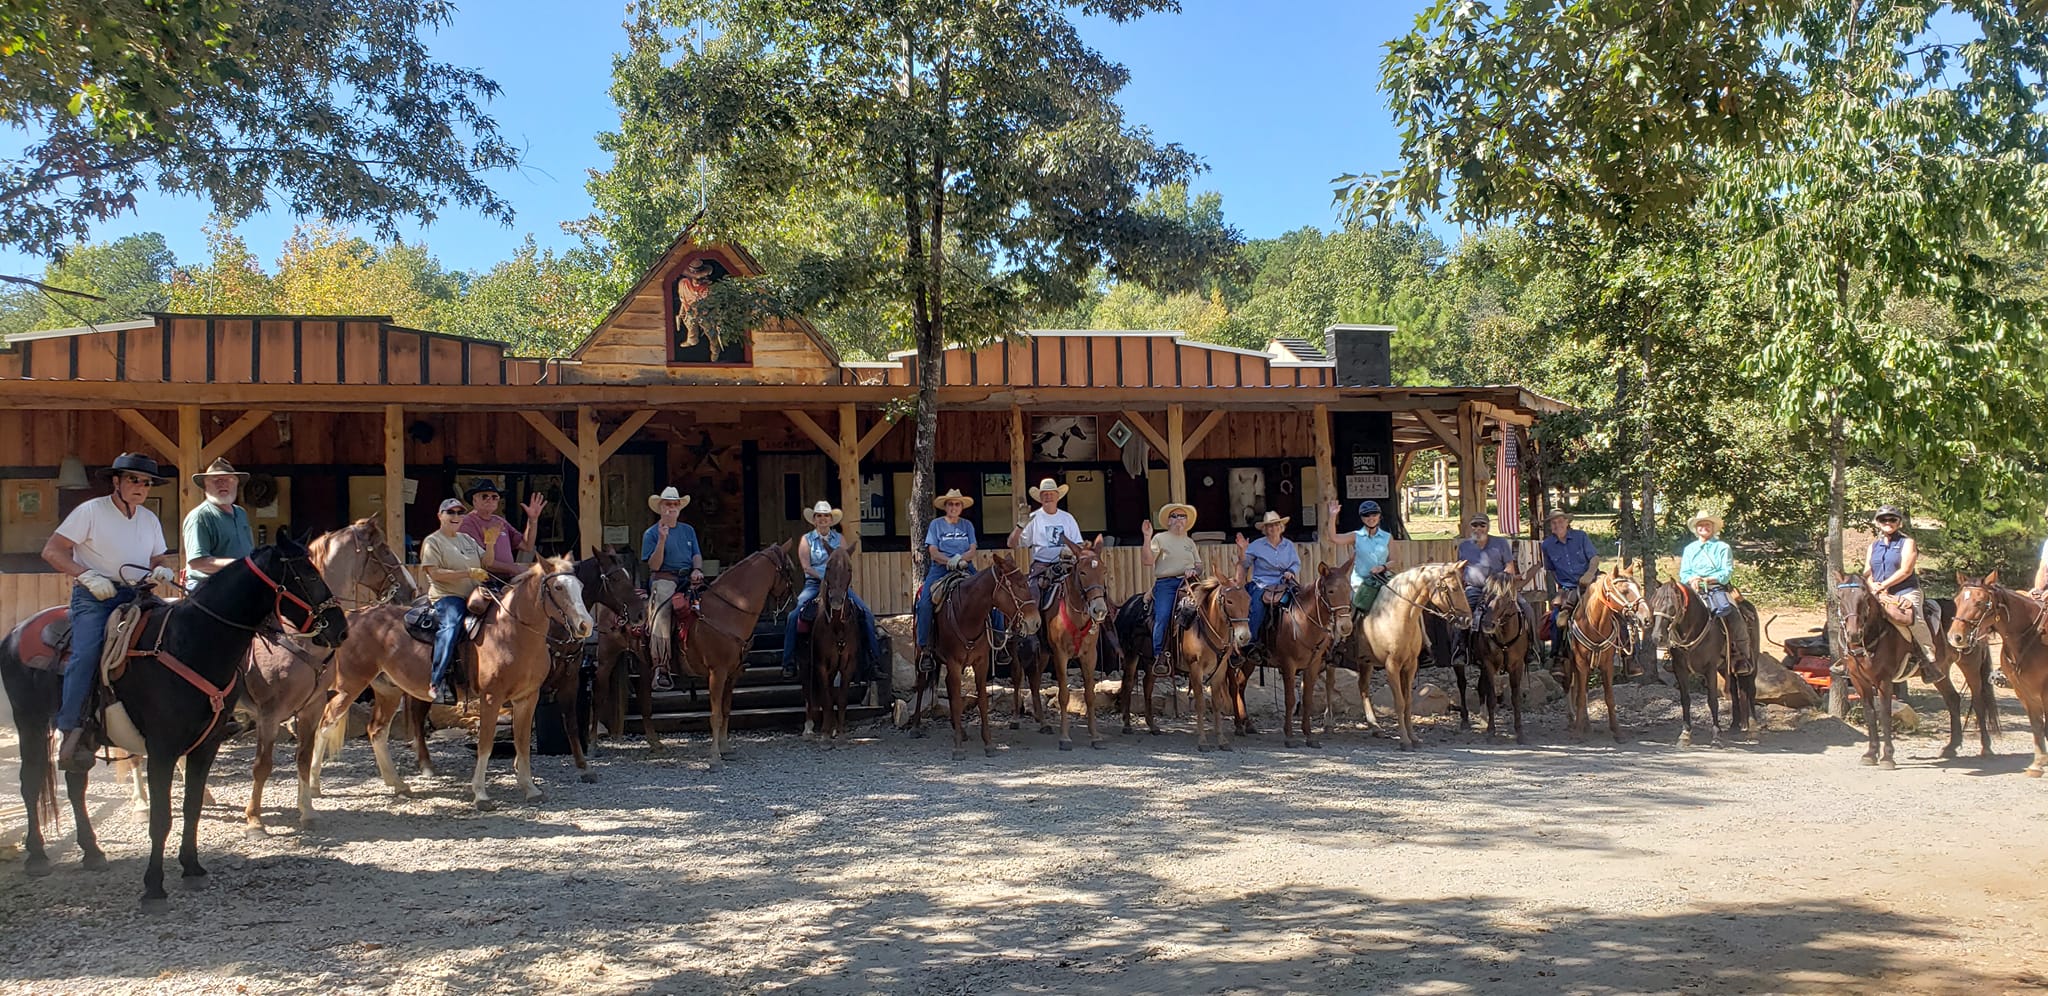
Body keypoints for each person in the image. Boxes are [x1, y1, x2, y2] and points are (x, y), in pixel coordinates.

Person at [43, 453, 182, 770]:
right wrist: (85, 575)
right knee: (87, 653)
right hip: (95, 596)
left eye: (146, 482)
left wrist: (162, 571)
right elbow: (51, 550)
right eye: (134, 479)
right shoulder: (90, 511)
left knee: (172, 637)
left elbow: (158, 557)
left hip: (138, 593)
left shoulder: (149, 519)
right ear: (116, 481)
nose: (141, 487)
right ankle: (70, 729)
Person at [781, 501, 882, 681]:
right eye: (819, 516)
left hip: (839, 586)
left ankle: (873, 661)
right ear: (814, 520)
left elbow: (845, 564)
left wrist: (836, 581)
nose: (823, 519)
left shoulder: (839, 539)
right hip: (815, 583)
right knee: (794, 615)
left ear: (831, 520)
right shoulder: (806, 540)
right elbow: (806, 567)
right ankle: (788, 662)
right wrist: (826, 578)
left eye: (826, 516)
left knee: (866, 613)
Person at [420, 498, 491, 705]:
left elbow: (487, 562)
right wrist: (467, 573)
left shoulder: (467, 539)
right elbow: (434, 573)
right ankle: (437, 680)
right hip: (447, 597)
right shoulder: (433, 541)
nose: (456, 517)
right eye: (451, 513)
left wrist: (492, 542)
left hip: (475, 594)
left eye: (460, 513)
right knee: (450, 626)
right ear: (440, 515)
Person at [643, 485, 703, 692]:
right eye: (668, 504)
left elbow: (696, 554)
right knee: (662, 612)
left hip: (689, 577)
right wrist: (662, 540)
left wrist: (697, 569)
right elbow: (654, 565)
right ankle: (661, 666)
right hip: (664, 577)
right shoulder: (651, 533)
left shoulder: (689, 530)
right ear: (660, 507)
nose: (672, 507)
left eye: (675, 504)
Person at [915, 489, 981, 673]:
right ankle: (925, 649)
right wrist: (948, 560)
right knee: (925, 604)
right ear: (945, 507)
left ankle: (998, 642)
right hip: (940, 568)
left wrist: (961, 559)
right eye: (950, 504)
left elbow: (973, 549)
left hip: (965, 566)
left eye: (957, 504)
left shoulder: (967, 525)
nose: (954, 507)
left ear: (961, 507)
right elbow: (933, 551)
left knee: (989, 594)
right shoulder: (936, 525)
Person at [1678, 510, 1752, 673]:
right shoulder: (1690, 549)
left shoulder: (1722, 548)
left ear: (1713, 528)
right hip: (1693, 588)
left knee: (1732, 614)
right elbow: (1684, 572)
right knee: (1673, 612)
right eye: (1701, 525)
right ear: (1696, 529)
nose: (1704, 527)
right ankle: (1676, 652)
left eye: (1707, 524)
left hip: (1716, 587)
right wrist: (1692, 579)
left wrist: (1708, 579)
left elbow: (1725, 572)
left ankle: (1740, 655)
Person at [1865, 505, 1937, 666]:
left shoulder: (1907, 543)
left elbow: (1906, 570)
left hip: (1905, 591)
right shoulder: (1873, 546)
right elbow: (1867, 572)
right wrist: (1872, 585)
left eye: (1892, 519)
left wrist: (1882, 585)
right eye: (1883, 519)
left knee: (1914, 618)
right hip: (1877, 592)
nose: (1888, 522)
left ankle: (1928, 656)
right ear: (1877, 523)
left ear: (1899, 523)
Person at [1141, 502, 1201, 675]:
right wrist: (1147, 537)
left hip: (1190, 581)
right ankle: (1160, 655)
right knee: (1164, 615)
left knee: (1208, 609)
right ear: (1168, 521)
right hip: (1166, 583)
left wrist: (1194, 570)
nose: (1178, 519)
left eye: (1182, 516)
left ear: (1186, 521)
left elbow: (1199, 565)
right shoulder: (1160, 538)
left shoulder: (1189, 542)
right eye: (1174, 516)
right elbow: (1147, 561)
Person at [181, 457, 254, 591]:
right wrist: (239, 564)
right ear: (205, 486)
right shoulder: (200, 516)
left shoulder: (241, 513)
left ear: (237, 484)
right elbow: (197, 563)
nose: (222, 484)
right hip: (208, 589)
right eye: (215, 480)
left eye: (228, 479)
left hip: (238, 582)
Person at [1538, 508, 1599, 667]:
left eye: (1560, 521)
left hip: (1592, 580)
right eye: (1553, 522)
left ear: (1567, 522)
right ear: (1550, 526)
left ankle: (1629, 654)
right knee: (1557, 619)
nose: (1557, 525)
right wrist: (1560, 590)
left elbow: (1594, 557)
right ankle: (1557, 655)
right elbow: (1550, 569)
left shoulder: (1581, 537)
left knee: (1615, 607)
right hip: (1568, 586)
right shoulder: (1547, 545)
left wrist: (1590, 573)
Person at [457, 478, 545, 580]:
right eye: (484, 496)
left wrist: (532, 520)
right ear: (474, 500)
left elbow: (527, 546)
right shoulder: (467, 523)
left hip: (508, 580)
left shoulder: (500, 521)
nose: (490, 499)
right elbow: (481, 560)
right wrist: (514, 568)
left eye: (494, 497)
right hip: (484, 582)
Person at [1236, 510, 1301, 645]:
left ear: (1281, 527)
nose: (1274, 528)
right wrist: (1242, 551)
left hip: (1284, 582)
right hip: (1261, 584)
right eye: (1270, 526)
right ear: (1265, 529)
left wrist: (1291, 572)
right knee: (1257, 607)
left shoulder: (1288, 545)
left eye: (1276, 525)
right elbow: (1245, 563)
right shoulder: (1256, 545)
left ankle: (1299, 641)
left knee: (1301, 602)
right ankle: (1250, 643)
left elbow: (1295, 563)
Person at [1009, 477, 1082, 597]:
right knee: (1033, 596)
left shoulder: (1068, 518)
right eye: (1045, 494)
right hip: (1042, 567)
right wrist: (1020, 526)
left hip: (1067, 564)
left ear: (1057, 496)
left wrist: (1070, 550)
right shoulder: (1032, 517)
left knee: (1090, 587)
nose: (1048, 496)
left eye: (1051, 493)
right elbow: (1012, 544)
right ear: (1040, 498)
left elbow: (1079, 544)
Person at [1325, 499, 1392, 615]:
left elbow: (1395, 561)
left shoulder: (1387, 537)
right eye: (1366, 515)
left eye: (1374, 514)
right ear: (1362, 518)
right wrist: (1332, 516)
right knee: (1354, 609)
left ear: (1379, 516)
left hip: (1383, 579)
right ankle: (1351, 631)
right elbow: (1334, 538)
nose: (1371, 518)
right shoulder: (1356, 536)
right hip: (1361, 582)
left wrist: (1382, 567)